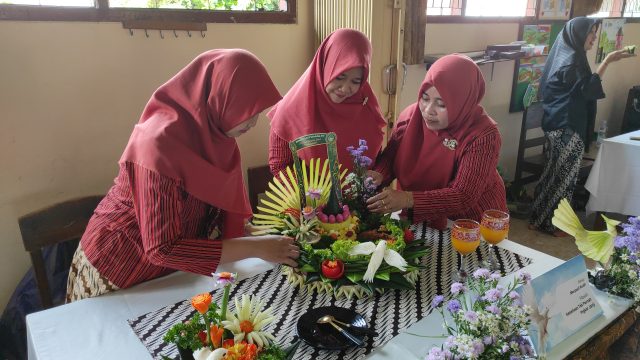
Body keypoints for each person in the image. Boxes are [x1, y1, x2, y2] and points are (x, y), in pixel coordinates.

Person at [66, 49, 300, 302]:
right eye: (246, 111)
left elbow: (218, 211)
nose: (252, 123)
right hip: (119, 266)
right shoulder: (157, 144)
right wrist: (259, 247)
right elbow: (162, 248)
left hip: (170, 272)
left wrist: (262, 235)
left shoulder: (218, 138)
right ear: (218, 96)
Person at [366, 54, 507, 230]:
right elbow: (391, 156)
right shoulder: (410, 118)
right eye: (424, 98)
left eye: (441, 104)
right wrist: (379, 174)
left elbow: (463, 195)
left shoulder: (483, 135)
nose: (428, 110)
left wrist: (407, 199)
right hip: (421, 217)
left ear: (462, 101)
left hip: (472, 223)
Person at [529, 17, 635, 235]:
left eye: (595, 32)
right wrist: (606, 62)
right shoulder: (573, 60)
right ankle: (553, 225)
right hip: (567, 126)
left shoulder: (565, 55)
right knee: (564, 178)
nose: (594, 37)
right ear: (578, 34)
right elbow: (587, 90)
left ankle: (538, 219)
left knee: (552, 175)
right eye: (591, 32)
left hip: (556, 123)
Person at [268, 28, 386, 175]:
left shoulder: (366, 105)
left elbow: (377, 157)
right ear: (325, 66)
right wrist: (311, 195)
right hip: (309, 195)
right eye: (339, 77)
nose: (345, 88)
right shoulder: (289, 110)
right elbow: (280, 166)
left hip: (360, 194)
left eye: (356, 81)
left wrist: (375, 177)